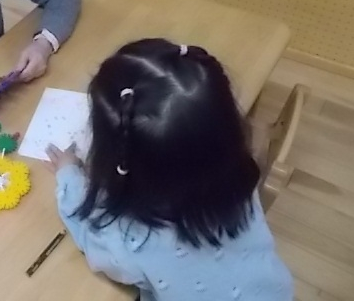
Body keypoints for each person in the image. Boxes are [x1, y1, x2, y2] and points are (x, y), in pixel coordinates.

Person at [46, 39, 292, 301]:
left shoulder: (134, 243)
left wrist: (69, 174)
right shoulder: (237, 171)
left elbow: (91, 239)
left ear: (119, 163)